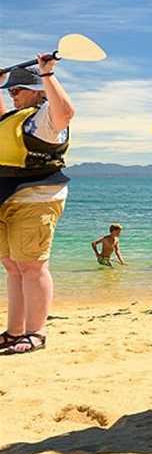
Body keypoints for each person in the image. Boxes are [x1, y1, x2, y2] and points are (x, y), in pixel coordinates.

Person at [0, 61, 75, 355]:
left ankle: (36, 333)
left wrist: (48, 75)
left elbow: (66, 113)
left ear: (35, 91)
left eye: (18, 89)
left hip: (37, 196)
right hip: (6, 197)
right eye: (10, 89)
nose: (13, 94)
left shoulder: (46, 117)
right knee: (12, 267)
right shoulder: (15, 118)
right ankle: (14, 331)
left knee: (32, 266)